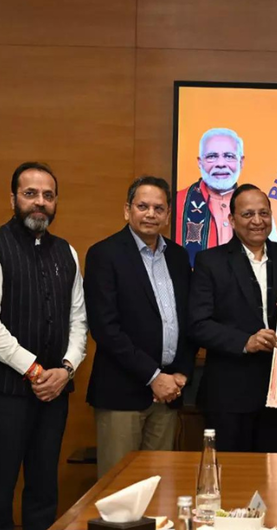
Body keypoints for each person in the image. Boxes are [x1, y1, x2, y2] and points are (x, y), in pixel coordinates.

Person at [0, 162, 88, 530]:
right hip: (5, 394)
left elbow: (79, 320)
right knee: (0, 492)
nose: (40, 202)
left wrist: (67, 369)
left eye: (48, 195)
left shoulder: (67, 252)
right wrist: (37, 370)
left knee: (43, 490)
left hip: (55, 391)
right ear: (13, 198)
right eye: (30, 193)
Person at [85, 176, 195, 477]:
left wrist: (181, 373)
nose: (150, 214)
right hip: (122, 393)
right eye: (142, 206)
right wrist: (153, 376)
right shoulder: (104, 254)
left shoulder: (178, 256)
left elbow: (188, 320)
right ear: (127, 210)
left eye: (159, 208)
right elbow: (105, 328)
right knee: (119, 489)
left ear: (168, 215)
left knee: (160, 486)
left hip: (169, 394)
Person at [188, 184, 277, 453]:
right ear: (231, 220)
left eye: (264, 213)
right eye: (248, 214)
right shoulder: (210, 262)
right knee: (230, 478)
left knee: (274, 477)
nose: (257, 221)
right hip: (228, 394)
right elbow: (198, 324)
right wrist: (246, 341)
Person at [176, 128, 277, 265]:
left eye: (229, 156)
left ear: (241, 162)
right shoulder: (178, 202)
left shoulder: (257, 205)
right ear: (200, 162)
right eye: (212, 156)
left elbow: (274, 260)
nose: (221, 164)